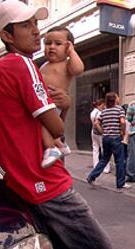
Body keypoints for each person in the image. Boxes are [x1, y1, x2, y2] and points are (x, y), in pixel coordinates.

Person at [0, 1, 112, 249]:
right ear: (7, 36)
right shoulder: (22, 65)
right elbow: (56, 128)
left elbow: (47, 125)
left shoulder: (8, 68)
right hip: (42, 181)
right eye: (27, 26)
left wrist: (64, 107)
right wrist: (63, 108)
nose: (36, 31)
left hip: (25, 180)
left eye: (35, 23)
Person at [40, 26, 84, 168]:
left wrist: (71, 52)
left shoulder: (66, 64)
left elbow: (78, 69)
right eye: (48, 43)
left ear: (67, 47)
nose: (51, 47)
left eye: (58, 44)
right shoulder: (44, 65)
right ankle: (60, 145)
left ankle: (51, 149)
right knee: (47, 128)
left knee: (44, 127)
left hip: (55, 104)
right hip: (45, 103)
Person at [87, 92, 130, 189]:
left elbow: (96, 123)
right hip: (116, 137)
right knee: (119, 160)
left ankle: (92, 176)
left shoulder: (104, 111)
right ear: (115, 99)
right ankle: (120, 183)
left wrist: (103, 132)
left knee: (104, 159)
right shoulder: (119, 109)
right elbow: (123, 122)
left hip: (106, 138)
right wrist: (122, 132)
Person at [90, 98, 111, 173]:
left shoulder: (92, 112)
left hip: (93, 132)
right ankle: (106, 167)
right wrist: (103, 132)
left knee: (95, 149)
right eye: (103, 105)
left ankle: (96, 166)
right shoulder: (99, 113)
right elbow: (99, 123)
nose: (104, 107)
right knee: (104, 150)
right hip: (99, 133)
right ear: (101, 104)